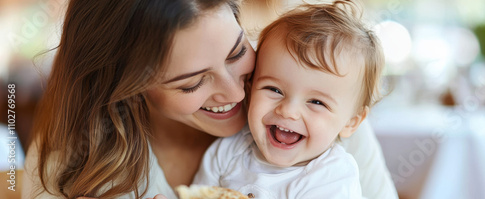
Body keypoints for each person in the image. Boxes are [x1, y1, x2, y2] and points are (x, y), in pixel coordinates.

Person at [22, 0, 397, 199]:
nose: (238, 93)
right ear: (128, 86)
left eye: (236, 53)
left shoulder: (325, 123)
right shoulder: (74, 152)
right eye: (192, 83)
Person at [192, 1, 385, 198]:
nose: (288, 111)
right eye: (274, 89)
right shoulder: (229, 151)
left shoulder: (332, 177)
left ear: (351, 123)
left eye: (317, 102)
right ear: (250, 90)